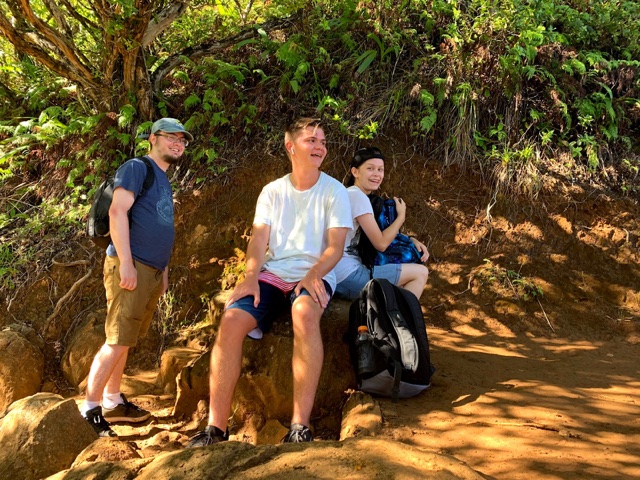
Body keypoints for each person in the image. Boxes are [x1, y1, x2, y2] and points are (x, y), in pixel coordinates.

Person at [187, 117, 351, 447]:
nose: (319, 146)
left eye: (322, 141)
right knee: (231, 320)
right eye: (311, 140)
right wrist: (250, 277)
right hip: (273, 274)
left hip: (315, 272)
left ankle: (300, 426)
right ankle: (215, 428)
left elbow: (335, 247)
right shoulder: (273, 191)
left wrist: (314, 274)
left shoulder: (334, 190)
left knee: (304, 314)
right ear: (291, 146)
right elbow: (259, 238)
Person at [79, 118, 193, 437]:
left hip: (150, 270)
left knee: (125, 339)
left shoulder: (163, 178)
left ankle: (113, 401)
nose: (178, 143)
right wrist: (127, 263)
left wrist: (163, 272)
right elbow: (117, 212)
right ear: (153, 139)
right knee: (116, 339)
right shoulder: (136, 168)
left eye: (182, 140)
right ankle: (89, 409)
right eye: (171, 137)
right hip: (131, 266)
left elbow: (158, 226)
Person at [333, 147, 430, 301]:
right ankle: (405, 316)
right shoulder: (357, 196)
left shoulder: (351, 194)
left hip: (339, 273)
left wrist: (410, 239)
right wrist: (401, 217)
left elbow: (379, 233)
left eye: (380, 169)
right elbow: (381, 244)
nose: (377, 174)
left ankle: (395, 315)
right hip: (346, 276)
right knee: (420, 272)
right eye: (370, 168)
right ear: (355, 172)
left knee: (399, 284)